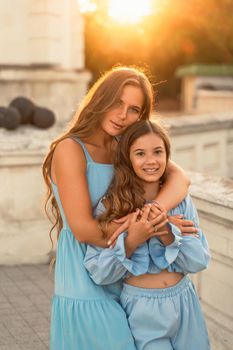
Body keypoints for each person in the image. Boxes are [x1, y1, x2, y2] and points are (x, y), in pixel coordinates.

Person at [42, 66, 195, 350]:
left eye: (134, 109)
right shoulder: (71, 149)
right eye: (116, 102)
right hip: (83, 278)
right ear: (100, 99)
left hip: (124, 271)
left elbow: (180, 178)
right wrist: (149, 229)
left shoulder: (125, 148)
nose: (122, 115)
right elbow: (84, 230)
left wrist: (155, 213)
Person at [84, 120, 211, 350]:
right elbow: (100, 273)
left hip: (184, 302)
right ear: (128, 159)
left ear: (167, 155)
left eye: (158, 152)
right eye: (140, 153)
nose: (151, 161)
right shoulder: (111, 206)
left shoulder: (181, 201)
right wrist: (132, 240)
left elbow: (199, 261)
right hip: (142, 309)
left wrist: (168, 236)